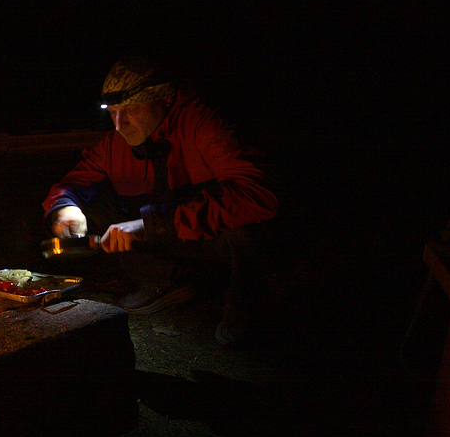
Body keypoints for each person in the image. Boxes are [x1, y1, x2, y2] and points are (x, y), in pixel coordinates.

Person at [43, 55, 279, 344]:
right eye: (114, 111)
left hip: (213, 239)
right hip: (169, 234)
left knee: (247, 228)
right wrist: (65, 209)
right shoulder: (116, 144)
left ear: (164, 100)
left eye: (132, 109)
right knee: (89, 205)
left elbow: (258, 195)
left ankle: (247, 306)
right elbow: (72, 183)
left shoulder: (204, 124)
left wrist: (153, 224)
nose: (120, 124)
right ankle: (165, 282)